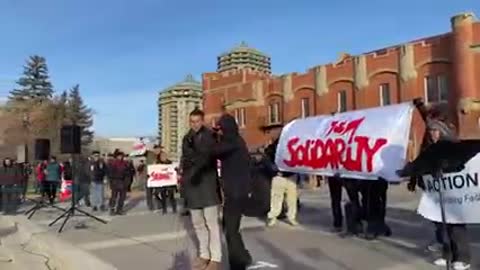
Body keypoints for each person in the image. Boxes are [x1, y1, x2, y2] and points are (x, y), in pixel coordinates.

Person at [420, 119, 471, 269]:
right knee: (441, 226)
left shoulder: (452, 146)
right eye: (430, 132)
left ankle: (463, 258)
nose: (433, 134)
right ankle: (447, 254)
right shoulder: (430, 148)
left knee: (455, 226)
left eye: (435, 131)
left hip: (454, 192)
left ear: (442, 131)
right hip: (437, 192)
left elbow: (461, 166)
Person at [181, 109, 222, 270]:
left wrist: (195, 156)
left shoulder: (211, 136)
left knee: (211, 223)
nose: (194, 124)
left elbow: (207, 157)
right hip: (192, 185)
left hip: (207, 184)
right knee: (197, 223)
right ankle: (204, 254)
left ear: (203, 121)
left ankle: (215, 257)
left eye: (197, 121)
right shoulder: (186, 138)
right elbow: (186, 159)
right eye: (192, 121)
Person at [215, 113, 253, 270]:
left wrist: (213, 136)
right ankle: (243, 255)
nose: (220, 132)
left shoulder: (233, 141)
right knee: (230, 227)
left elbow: (215, 151)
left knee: (230, 229)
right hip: (237, 191)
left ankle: (239, 262)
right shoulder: (237, 140)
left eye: (221, 128)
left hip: (236, 192)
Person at [264, 137, 299, 228]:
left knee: (292, 199)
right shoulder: (274, 147)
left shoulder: (294, 145)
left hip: (291, 175)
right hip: (279, 176)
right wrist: (274, 170)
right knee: (276, 197)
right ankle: (273, 216)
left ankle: (291, 217)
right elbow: (267, 159)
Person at [145, 145, 162, 211]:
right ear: (154, 149)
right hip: (149, 177)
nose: (159, 151)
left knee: (158, 191)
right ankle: (150, 206)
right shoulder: (149, 154)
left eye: (159, 149)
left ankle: (159, 204)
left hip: (157, 177)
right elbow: (143, 151)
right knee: (149, 192)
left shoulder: (161, 156)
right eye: (157, 149)